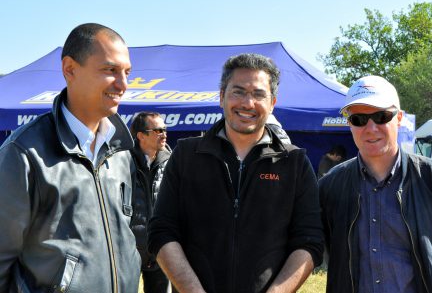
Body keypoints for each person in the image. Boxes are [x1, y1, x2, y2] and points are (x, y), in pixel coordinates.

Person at [148, 53, 324, 293]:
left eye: (258, 94)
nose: (247, 103)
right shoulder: (186, 155)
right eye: (238, 91)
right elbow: (162, 231)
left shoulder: (294, 163)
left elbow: (309, 241)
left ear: (272, 103)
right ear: (222, 97)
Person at [0, 23, 140, 292]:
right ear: (70, 69)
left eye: (127, 72)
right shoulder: (24, 153)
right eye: (110, 70)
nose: (123, 84)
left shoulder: (121, 150)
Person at [319, 75, 432, 293]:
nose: (370, 128)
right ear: (349, 123)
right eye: (359, 119)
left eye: (381, 116)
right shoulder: (330, 186)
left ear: (398, 118)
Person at [130, 111, 172, 293]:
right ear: (141, 136)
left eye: (165, 129)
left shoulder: (172, 162)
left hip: (160, 249)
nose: (164, 134)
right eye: (158, 130)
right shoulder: (123, 162)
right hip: (129, 251)